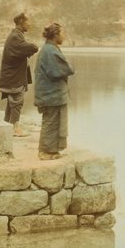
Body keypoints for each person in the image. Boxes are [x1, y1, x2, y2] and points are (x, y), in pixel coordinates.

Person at [34, 21, 75, 160]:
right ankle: (45, 151)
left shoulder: (49, 49)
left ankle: (52, 150)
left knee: (54, 121)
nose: (64, 37)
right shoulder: (50, 50)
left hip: (51, 92)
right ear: (55, 35)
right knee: (51, 122)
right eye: (62, 34)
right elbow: (59, 70)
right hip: (51, 93)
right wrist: (69, 67)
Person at [0, 12, 39, 137]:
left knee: (12, 103)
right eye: (28, 22)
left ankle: (6, 125)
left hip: (11, 75)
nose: (29, 24)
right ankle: (15, 128)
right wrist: (34, 46)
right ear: (21, 22)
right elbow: (29, 48)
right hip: (13, 77)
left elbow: (23, 49)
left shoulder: (16, 35)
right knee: (16, 101)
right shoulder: (16, 37)